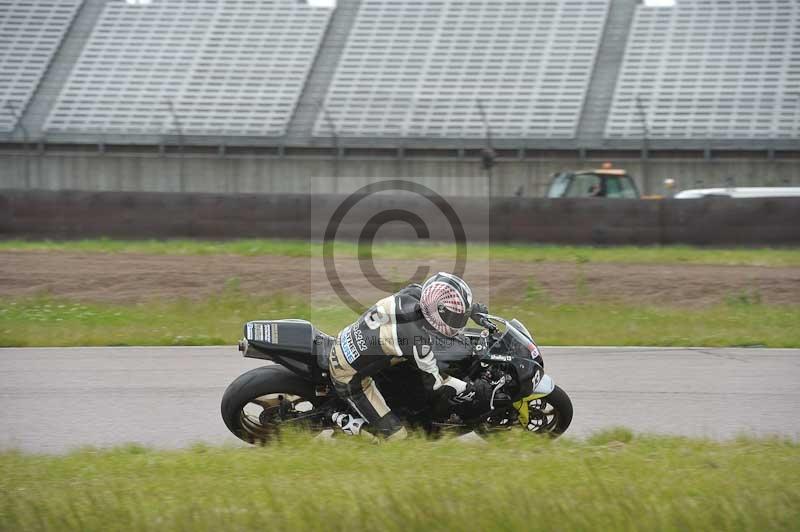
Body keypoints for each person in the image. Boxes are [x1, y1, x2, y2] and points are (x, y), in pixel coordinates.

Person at [329, 272, 491, 440]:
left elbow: (438, 301)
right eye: (454, 318)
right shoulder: (416, 338)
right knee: (399, 438)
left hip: (347, 342)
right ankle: (342, 420)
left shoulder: (413, 292)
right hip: (347, 376)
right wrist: (470, 389)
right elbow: (436, 384)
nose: (457, 322)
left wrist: (469, 311)